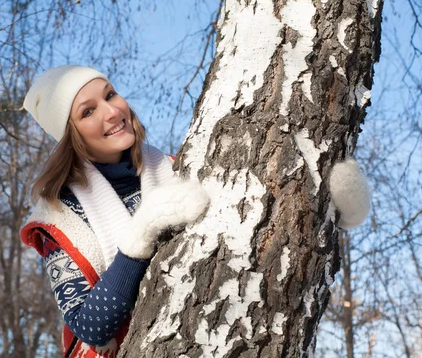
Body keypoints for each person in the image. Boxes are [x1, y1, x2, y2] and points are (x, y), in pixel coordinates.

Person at [20, 65, 371, 358]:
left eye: (110, 95)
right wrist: (139, 237)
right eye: (88, 111)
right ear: (71, 136)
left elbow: (257, 217)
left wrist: (326, 206)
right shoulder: (60, 216)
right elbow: (89, 326)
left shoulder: (178, 168)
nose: (112, 111)